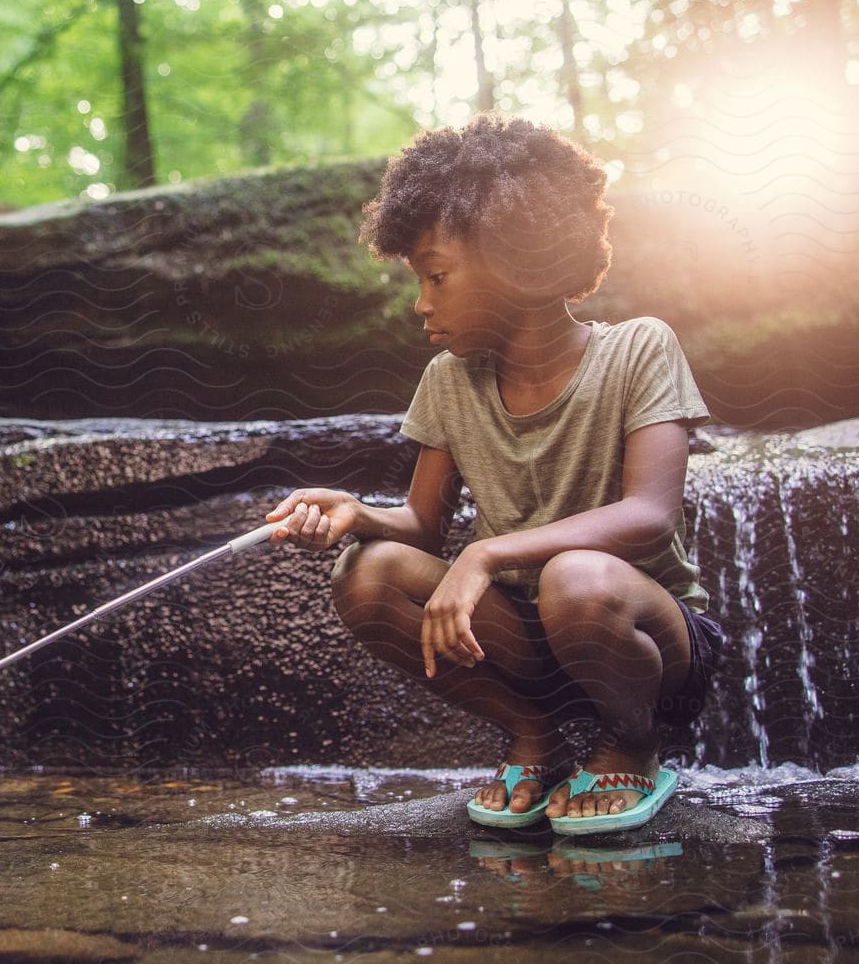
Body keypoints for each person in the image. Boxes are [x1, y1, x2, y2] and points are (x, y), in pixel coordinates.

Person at [266, 113, 724, 834]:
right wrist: (358, 513)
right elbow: (421, 526)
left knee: (575, 578)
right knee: (369, 572)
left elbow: (649, 515)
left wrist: (487, 551)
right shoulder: (448, 381)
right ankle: (533, 732)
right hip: (526, 641)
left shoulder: (640, 348)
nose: (421, 302)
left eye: (436, 275)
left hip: (639, 634)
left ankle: (631, 743)